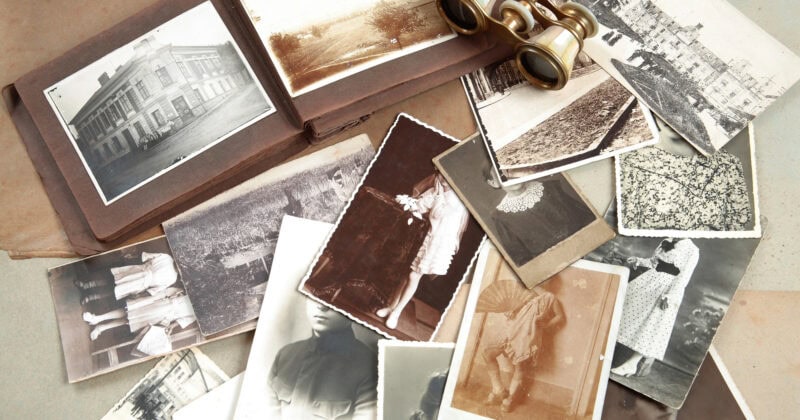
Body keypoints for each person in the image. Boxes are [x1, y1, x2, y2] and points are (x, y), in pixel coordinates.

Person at [376, 173, 470, 329]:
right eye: (441, 176)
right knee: (407, 273)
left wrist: (438, 194)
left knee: (414, 275)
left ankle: (397, 312)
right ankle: (391, 306)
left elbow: (437, 213)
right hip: (426, 238)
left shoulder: (455, 198)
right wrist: (409, 203)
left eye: (447, 177)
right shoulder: (436, 190)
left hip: (439, 242)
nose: (443, 180)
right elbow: (420, 205)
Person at [267, 301, 377, 419]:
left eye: (333, 299)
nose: (321, 306)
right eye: (315, 296)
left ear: (355, 309)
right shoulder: (285, 355)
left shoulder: (368, 366)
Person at [611, 238, 700, 377]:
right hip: (649, 280)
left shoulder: (692, 250)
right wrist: (638, 261)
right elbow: (654, 262)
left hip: (666, 288)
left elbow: (683, 278)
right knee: (625, 310)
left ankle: (632, 364)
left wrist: (669, 296)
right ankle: (609, 350)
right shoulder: (667, 240)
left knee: (652, 323)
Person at [482, 286, 564, 412]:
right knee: (488, 354)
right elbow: (514, 310)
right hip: (512, 330)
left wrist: (546, 325)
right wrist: (510, 312)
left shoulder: (550, 298)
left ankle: (509, 399)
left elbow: (560, 316)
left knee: (520, 366)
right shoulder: (524, 291)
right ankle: (498, 390)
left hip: (528, 335)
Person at [82, 286, 196, 344]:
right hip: (160, 302)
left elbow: (182, 320)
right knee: (127, 311)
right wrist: (147, 296)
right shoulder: (193, 289)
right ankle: (96, 318)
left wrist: (170, 327)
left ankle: (100, 328)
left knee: (129, 321)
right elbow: (171, 291)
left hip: (162, 317)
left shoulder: (199, 314)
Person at [75, 252, 179, 301]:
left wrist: (140, 296)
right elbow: (147, 256)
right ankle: (86, 285)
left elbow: (156, 289)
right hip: (137, 271)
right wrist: (132, 256)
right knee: (111, 279)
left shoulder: (173, 279)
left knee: (115, 291)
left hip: (140, 285)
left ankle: (90, 297)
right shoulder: (167, 258)